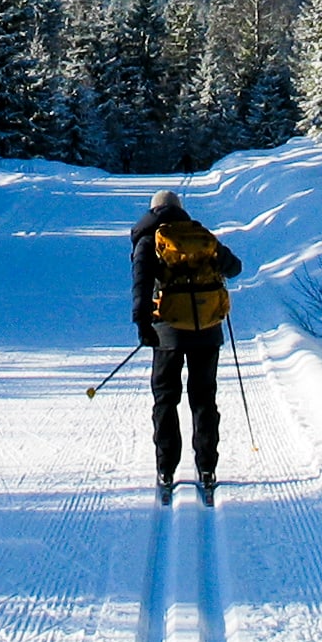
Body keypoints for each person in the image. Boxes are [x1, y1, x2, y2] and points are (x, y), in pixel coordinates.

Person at [130, 187, 242, 502]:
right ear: (179, 209)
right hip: (208, 330)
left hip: (167, 332)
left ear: (153, 211)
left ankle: (166, 469)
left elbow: (141, 285)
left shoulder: (148, 241)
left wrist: (143, 325)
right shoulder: (200, 234)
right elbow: (234, 268)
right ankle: (207, 468)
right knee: (204, 399)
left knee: (166, 400)